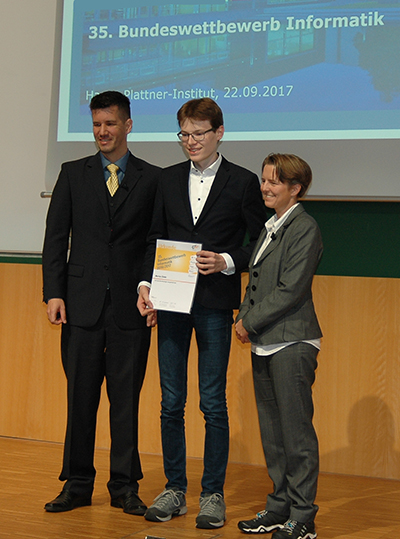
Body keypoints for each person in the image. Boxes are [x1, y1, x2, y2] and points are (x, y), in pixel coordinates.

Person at [137, 98, 266, 529]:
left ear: (220, 133)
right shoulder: (166, 179)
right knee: (170, 401)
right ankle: (175, 488)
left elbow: (260, 243)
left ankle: (212, 494)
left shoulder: (244, 182)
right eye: (184, 134)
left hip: (213, 303)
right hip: (171, 303)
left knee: (212, 402)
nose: (191, 142)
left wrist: (227, 261)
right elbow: (154, 237)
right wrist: (145, 287)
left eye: (199, 133)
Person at [42, 91, 160, 515]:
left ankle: (125, 487)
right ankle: (76, 485)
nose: (102, 132)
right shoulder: (72, 173)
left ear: (128, 125)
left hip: (131, 307)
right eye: (96, 125)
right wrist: (54, 292)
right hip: (80, 304)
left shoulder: (153, 178)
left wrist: (153, 290)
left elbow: (155, 243)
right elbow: (56, 238)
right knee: (81, 398)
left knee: (125, 400)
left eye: (110, 124)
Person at [235, 153, 322, 539]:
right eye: (264, 180)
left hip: (292, 340)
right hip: (265, 343)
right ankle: (278, 507)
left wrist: (247, 322)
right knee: (273, 432)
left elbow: (290, 289)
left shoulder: (304, 227)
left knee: (295, 433)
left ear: (295, 188)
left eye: (274, 182)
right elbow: (256, 283)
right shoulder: (271, 225)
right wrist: (242, 316)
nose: (266, 187)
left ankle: (303, 517)